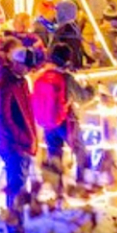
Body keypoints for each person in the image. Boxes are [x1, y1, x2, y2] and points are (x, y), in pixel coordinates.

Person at [30, 45, 93, 200]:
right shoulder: (66, 78)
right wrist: (92, 88)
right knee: (81, 152)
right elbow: (83, 97)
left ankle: (57, 191)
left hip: (48, 124)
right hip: (66, 121)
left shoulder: (42, 76)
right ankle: (83, 185)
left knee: (54, 155)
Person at [0, 46, 38, 227]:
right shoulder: (4, 85)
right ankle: (15, 230)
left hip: (22, 143)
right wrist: (21, 138)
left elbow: (26, 113)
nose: (29, 70)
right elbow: (2, 118)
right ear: (17, 63)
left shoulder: (21, 82)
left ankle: (17, 227)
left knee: (19, 186)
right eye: (27, 66)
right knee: (16, 188)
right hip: (14, 145)